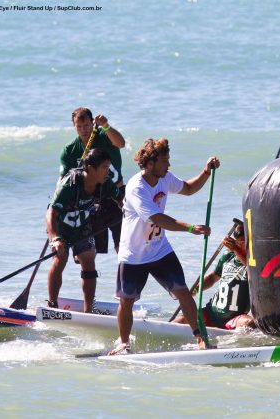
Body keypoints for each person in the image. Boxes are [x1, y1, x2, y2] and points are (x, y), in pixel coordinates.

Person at [108, 138, 220, 355]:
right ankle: (123, 344)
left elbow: (187, 188)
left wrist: (206, 172)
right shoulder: (136, 188)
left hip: (159, 249)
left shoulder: (164, 178)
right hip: (134, 255)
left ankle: (200, 338)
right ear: (150, 164)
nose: (168, 165)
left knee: (183, 292)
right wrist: (189, 228)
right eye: (164, 160)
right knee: (127, 301)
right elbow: (157, 218)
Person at [46, 148, 121, 313]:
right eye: (104, 168)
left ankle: (89, 311)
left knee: (88, 260)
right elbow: (51, 213)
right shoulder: (69, 184)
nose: (108, 172)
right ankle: (52, 304)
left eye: (108, 167)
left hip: (82, 227)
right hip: (61, 228)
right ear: (90, 168)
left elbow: (121, 199)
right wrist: (55, 239)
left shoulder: (104, 184)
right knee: (61, 259)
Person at [60, 107, 125, 255]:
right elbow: (64, 180)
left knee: (122, 246)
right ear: (74, 126)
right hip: (92, 201)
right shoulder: (69, 150)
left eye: (87, 125)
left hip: (116, 194)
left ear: (92, 123)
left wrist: (106, 125)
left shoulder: (104, 136)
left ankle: (124, 277)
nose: (83, 130)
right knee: (88, 251)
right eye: (79, 126)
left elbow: (121, 143)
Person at [173, 221, 255, 330]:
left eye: (244, 243)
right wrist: (196, 289)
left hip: (234, 318)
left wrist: (235, 249)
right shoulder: (228, 256)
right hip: (211, 312)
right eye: (238, 242)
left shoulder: (254, 262)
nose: (240, 245)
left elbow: (252, 270)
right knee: (178, 321)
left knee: (250, 324)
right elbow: (212, 278)